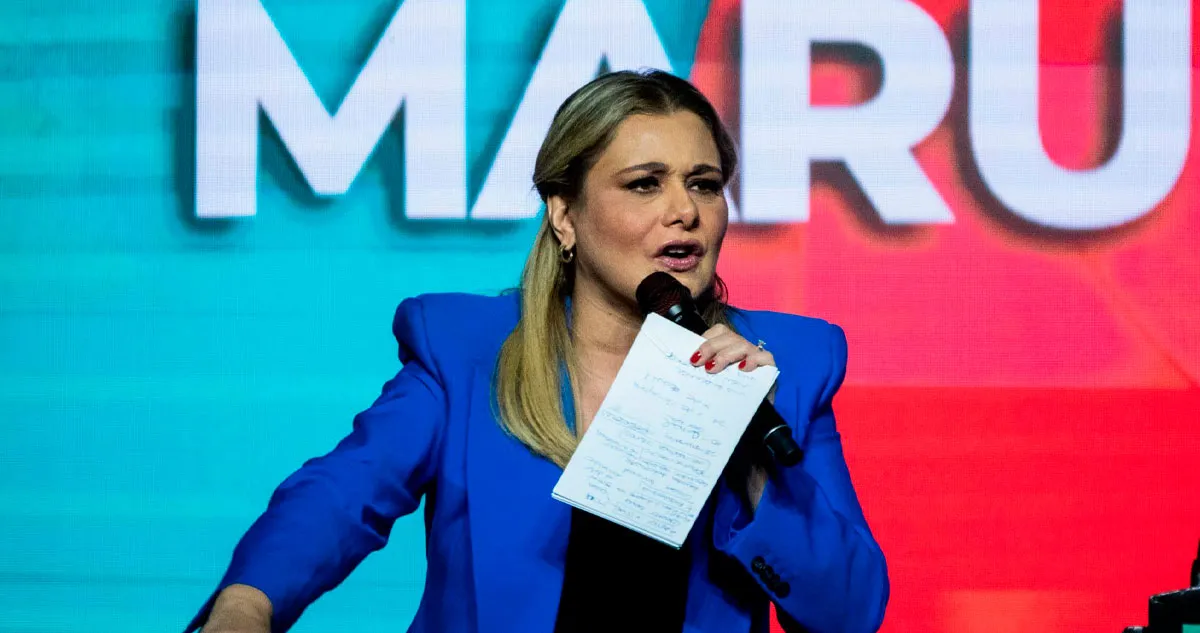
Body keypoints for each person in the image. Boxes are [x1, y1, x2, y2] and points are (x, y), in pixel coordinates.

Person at [187, 69, 889, 633]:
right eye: (645, 184)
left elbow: (850, 614)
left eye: (704, 184)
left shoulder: (786, 367)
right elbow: (341, 496)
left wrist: (753, 459)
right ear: (565, 215)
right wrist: (246, 604)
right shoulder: (465, 352)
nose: (686, 211)